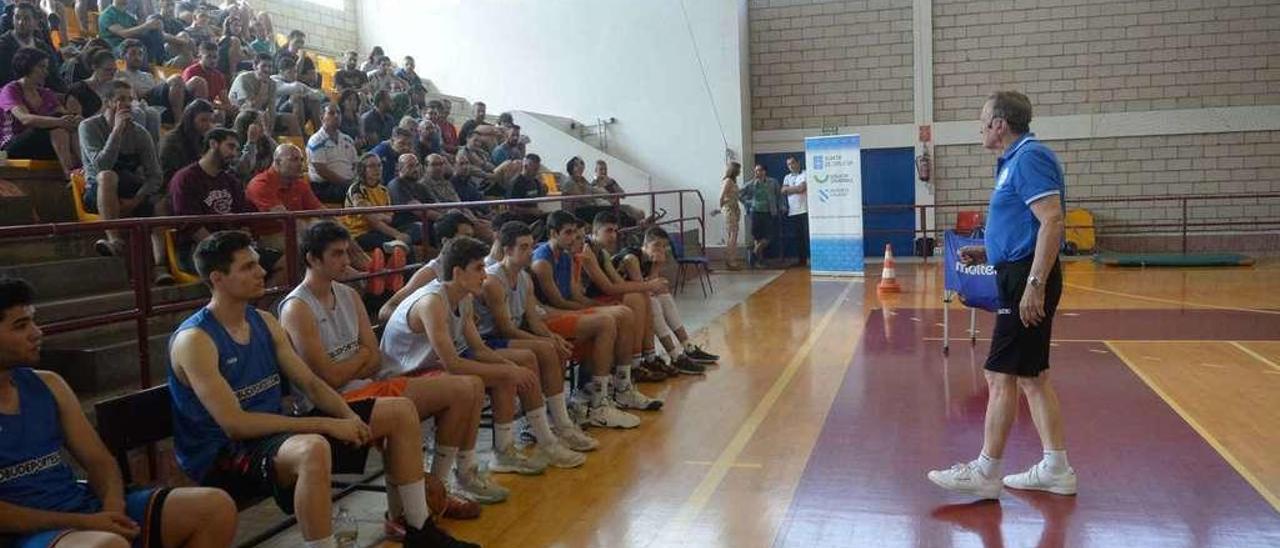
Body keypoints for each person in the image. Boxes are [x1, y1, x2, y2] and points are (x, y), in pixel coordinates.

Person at [168, 231, 478, 548]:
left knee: (399, 411)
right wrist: (327, 423)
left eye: (258, 264)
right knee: (312, 448)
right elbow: (235, 424)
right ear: (218, 278)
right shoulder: (195, 340)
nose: (262, 272)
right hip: (226, 454)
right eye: (248, 267)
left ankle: (419, 529)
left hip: (274, 436)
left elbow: (313, 384)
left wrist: (347, 416)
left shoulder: (263, 320)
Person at [0, 277, 239, 548]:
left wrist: (112, 508)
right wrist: (86, 524)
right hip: (25, 534)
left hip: (82, 509)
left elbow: (99, 461)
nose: (36, 332)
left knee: (214, 508)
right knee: (107, 545)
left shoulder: (48, 384)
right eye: (20, 326)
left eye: (32, 320)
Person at [277, 222, 485, 520]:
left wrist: (358, 359)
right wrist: (361, 355)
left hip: (364, 386)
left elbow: (375, 360)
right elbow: (329, 379)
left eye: (347, 252)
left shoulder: (348, 294)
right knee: (461, 388)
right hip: (329, 405)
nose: (347, 261)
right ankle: (424, 503)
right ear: (312, 258)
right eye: (337, 254)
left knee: (468, 386)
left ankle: (437, 489)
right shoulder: (296, 308)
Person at [927, 91, 1074, 500]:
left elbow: (1052, 221)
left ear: (1000, 124)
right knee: (1032, 377)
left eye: (983, 119)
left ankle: (986, 471)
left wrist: (1034, 284)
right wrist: (990, 250)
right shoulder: (1012, 162)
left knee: (999, 374)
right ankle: (1056, 468)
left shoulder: (1030, 157)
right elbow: (1024, 226)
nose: (979, 126)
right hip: (1015, 271)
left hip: (1028, 278)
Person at [381, 235, 585, 474]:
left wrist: (510, 366)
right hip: (399, 377)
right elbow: (454, 364)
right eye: (478, 268)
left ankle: (517, 448)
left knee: (512, 368)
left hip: (431, 367)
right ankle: (453, 474)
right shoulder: (432, 302)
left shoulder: (462, 296)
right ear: (457, 273)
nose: (485, 274)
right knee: (477, 383)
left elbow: (479, 349)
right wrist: (508, 370)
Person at [476, 220, 599, 452]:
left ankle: (559, 422)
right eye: (523, 247)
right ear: (506, 250)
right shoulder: (493, 280)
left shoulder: (524, 277)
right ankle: (544, 427)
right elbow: (505, 328)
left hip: (508, 334)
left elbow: (533, 319)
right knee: (544, 348)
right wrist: (545, 341)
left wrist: (552, 337)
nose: (529, 252)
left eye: (531, 246)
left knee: (557, 345)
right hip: (488, 339)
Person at [530, 211, 645, 428]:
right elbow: (558, 302)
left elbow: (575, 295)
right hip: (547, 316)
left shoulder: (566, 256)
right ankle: (599, 402)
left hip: (563, 311)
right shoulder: (542, 262)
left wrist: (599, 307)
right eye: (568, 232)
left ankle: (621, 387)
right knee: (606, 321)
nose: (574, 237)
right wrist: (598, 311)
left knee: (623, 313)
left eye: (575, 232)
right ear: (553, 233)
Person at [80, 81, 170, 282]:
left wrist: (136, 200)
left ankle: (160, 266)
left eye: (130, 99)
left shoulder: (140, 132)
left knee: (161, 203)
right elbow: (101, 166)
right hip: (98, 191)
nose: (127, 104)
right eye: (121, 99)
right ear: (108, 102)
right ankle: (114, 241)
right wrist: (116, 132)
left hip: (130, 192)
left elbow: (155, 175)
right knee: (108, 176)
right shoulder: (88, 126)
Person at [579, 212, 673, 385]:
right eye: (608, 231)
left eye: (615, 231)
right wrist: (649, 285)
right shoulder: (587, 250)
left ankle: (649, 358)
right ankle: (634, 364)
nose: (613, 236)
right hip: (586, 300)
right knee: (637, 297)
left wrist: (647, 286)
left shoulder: (604, 254)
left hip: (601, 296)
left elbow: (619, 283)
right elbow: (609, 287)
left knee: (641, 296)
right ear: (594, 231)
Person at [613, 226, 721, 370]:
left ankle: (688, 347)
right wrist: (656, 271)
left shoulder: (649, 259)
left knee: (663, 295)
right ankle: (675, 355)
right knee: (652, 302)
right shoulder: (632, 258)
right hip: (615, 297)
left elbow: (649, 286)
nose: (660, 249)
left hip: (633, 296)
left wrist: (657, 266)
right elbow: (643, 289)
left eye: (663, 246)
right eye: (656, 245)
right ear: (644, 245)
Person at [0, 47, 79, 176]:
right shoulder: (11, 90)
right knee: (58, 124)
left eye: (46, 68)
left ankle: (83, 168)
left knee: (67, 125)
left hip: (42, 141)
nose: (46, 72)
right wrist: (60, 121)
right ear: (27, 67)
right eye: (41, 67)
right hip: (13, 144)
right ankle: (69, 172)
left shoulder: (46, 93)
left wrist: (75, 119)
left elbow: (64, 115)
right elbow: (25, 119)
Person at [344, 152, 424, 256]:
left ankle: (398, 243)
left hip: (381, 230)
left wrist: (379, 216)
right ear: (362, 169)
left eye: (379, 165)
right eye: (372, 166)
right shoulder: (356, 189)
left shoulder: (383, 190)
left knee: (419, 226)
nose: (377, 169)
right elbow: (373, 221)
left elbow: (389, 218)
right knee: (404, 245)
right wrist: (397, 234)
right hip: (360, 233)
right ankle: (399, 246)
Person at [118, 38, 189, 125]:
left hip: (163, 102)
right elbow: (132, 97)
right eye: (133, 53)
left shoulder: (148, 75)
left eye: (140, 54)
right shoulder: (121, 74)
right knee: (176, 78)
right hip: (147, 103)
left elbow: (161, 89)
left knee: (197, 81)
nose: (137, 57)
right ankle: (179, 123)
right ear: (123, 55)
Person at [229, 52, 295, 137]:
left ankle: (301, 146)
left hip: (260, 114)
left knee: (291, 119)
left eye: (270, 66)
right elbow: (252, 107)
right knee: (262, 115)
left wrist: (271, 130)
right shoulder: (244, 79)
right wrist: (263, 87)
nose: (267, 69)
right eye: (264, 66)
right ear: (255, 66)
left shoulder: (272, 83)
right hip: (239, 113)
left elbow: (272, 109)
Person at [0, 3, 64, 91]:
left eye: (26, 18)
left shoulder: (43, 47)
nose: (21, 22)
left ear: (36, 22)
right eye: (17, 17)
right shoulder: (3, 45)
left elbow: (54, 76)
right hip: (12, 95)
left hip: (43, 95)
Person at [307, 103, 359, 203]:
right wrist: (346, 183)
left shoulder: (347, 139)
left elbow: (355, 163)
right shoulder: (316, 140)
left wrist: (354, 180)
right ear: (322, 117)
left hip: (347, 184)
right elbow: (321, 170)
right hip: (324, 187)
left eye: (338, 113)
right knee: (354, 194)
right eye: (331, 113)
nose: (336, 116)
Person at [158, 98, 214, 185]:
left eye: (211, 120)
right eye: (203, 120)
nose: (208, 125)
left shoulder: (204, 137)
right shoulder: (173, 141)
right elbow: (171, 175)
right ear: (190, 119)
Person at [99, 0, 166, 64]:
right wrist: (147, 25)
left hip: (131, 44)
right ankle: (150, 66)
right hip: (115, 49)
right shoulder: (107, 14)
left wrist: (154, 27)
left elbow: (140, 32)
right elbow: (123, 33)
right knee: (134, 45)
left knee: (154, 33)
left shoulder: (129, 16)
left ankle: (160, 63)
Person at [182, 40, 234, 122]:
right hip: (190, 108)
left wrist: (232, 108)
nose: (212, 60)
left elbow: (226, 102)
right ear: (200, 57)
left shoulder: (219, 76)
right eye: (208, 57)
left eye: (215, 57)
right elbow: (199, 103)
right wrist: (223, 107)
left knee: (221, 114)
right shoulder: (191, 72)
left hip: (208, 109)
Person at [272, 53, 324, 134]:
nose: (294, 75)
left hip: (295, 109)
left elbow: (320, 95)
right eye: (290, 72)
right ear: (281, 72)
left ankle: (319, 132)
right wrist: (304, 92)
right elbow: (288, 88)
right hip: (278, 111)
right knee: (297, 99)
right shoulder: (274, 80)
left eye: (295, 72)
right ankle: (302, 135)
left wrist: (306, 94)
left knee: (314, 102)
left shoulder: (296, 83)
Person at [740, 164, 779, 268]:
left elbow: (778, 195)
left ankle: (753, 253)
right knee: (757, 237)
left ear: (765, 171)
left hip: (769, 212)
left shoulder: (773, 182)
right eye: (756, 171)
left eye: (760, 170)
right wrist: (748, 202)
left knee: (768, 237)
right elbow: (740, 194)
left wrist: (781, 206)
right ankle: (759, 261)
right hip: (755, 212)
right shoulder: (751, 184)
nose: (758, 173)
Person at [780, 156, 809, 267]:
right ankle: (801, 261)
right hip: (793, 211)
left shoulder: (805, 173)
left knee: (806, 236)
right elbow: (783, 191)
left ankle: (812, 259)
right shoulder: (787, 177)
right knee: (798, 237)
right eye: (788, 164)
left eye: (792, 163)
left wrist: (790, 189)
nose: (791, 166)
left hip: (805, 210)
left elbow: (802, 188)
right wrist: (795, 188)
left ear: (798, 162)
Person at [232, 108, 276, 179]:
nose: (262, 127)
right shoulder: (234, 144)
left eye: (262, 123)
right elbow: (244, 170)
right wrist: (251, 142)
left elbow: (278, 156)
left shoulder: (267, 140)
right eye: (258, 124)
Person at [506, 153, 546, 224]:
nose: (536, 172)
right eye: (534, 169)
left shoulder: (536, 182)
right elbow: (511, 208)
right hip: (520, 220)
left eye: (537, 169)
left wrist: (544, 188)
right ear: (526, 167)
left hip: (534, 218)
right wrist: (530, 210)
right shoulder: (516, 183)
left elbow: (540, 197)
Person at [718, 161, 743, 269]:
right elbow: (721, 196)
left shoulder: (733, 182)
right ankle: (730, 260)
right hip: (729, 208)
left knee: (733, 235)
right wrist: (722, 208)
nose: (740, 172)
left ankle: (731, 258)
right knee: (733, 234)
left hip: (734, 208)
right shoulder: (728, 181)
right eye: (738, 169)